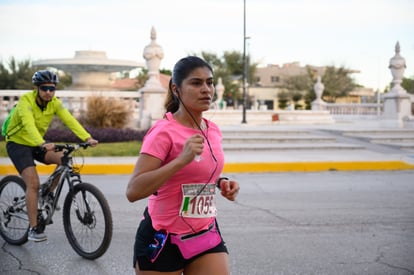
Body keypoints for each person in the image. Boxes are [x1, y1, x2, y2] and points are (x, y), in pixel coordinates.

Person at [126, 56, 240, 275]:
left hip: (204, 233)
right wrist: (180, 160)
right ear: (176, 89)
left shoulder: (212, 130)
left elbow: (198, 171)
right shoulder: (163, 132)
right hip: (163, 238)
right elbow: (133, 191)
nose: (206, 89)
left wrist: (222, 182)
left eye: (210, 82)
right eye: (196, 83)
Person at [4, 70, 98, 242]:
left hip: (36, 143)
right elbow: (28, 124)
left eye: (52, 89)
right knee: (33, 183)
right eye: (45, 88)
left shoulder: (54, 103)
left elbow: (69, 119)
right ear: (37, 88)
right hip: (18, 144)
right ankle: (34, 228)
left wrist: (87, 137)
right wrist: (41, 143)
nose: (48, 92)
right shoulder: (26, 101)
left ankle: (47, 193)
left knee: (64, 157)